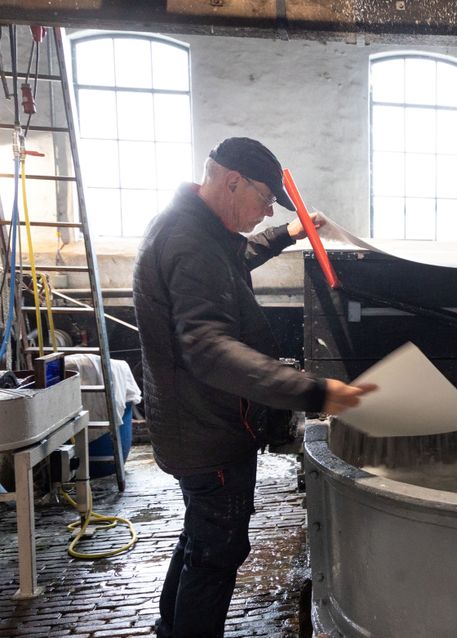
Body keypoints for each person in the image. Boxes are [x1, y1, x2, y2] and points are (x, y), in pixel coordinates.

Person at [132, 137, 375, 637]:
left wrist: (290, 232)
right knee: (217, 552)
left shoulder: (195, 227)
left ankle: (167, 628)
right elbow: (209, 348)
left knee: (200, 538)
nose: (266, 212)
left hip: (190, 421)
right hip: (208, 429)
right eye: (265, 199)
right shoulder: (191, 243)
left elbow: (238, 256)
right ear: (232, 181)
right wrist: (314, 391)